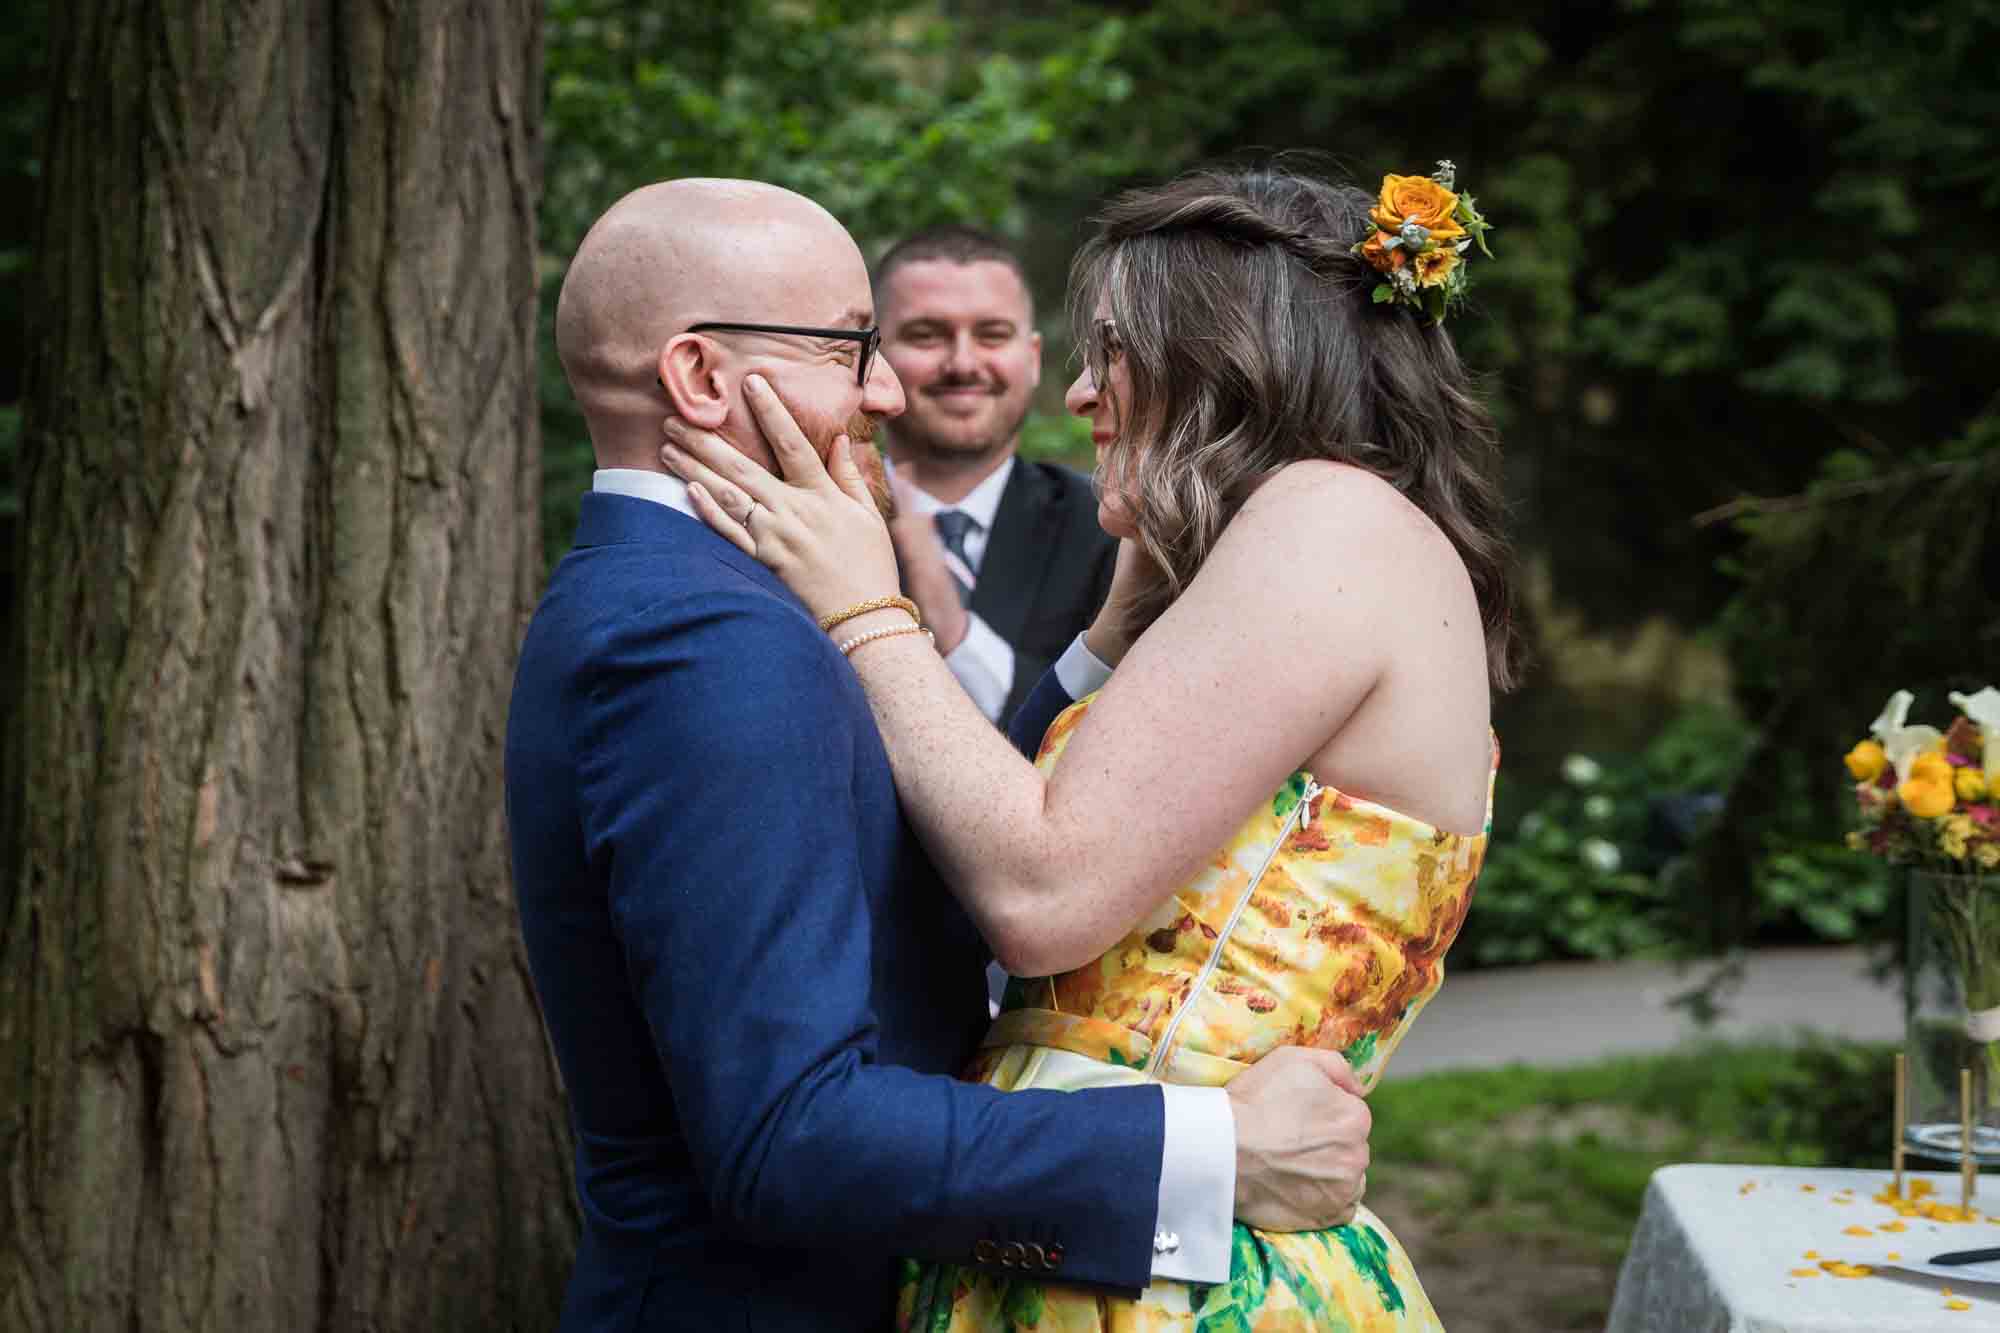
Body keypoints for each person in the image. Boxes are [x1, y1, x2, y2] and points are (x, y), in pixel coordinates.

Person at [505, 177, 1377, 1333]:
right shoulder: (704, 640)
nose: (883, 389)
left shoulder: (683, 596)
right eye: (848, 345)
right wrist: (1208, 1151)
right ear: (702, 378)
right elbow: (791, 1137)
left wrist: (1100, 650)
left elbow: (884, 882)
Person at [660, 159, 1516, 1329]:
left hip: (1181, 1282)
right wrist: (1114, 628)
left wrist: (864, 606)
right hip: (1102, 1240)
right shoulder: (1313, 538)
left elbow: (1040, 887)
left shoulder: (1330, 520)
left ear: (1222, 360)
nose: (1076, 393)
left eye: (1110, 351)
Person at [873, 227, 1117, 726]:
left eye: (992, 335)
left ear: (1031, 359)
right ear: (873, 357)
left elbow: (1108, 728)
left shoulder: (1110, 529)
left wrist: (951, 627)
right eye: (926, 335)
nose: (963, 364)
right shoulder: (812, 520)